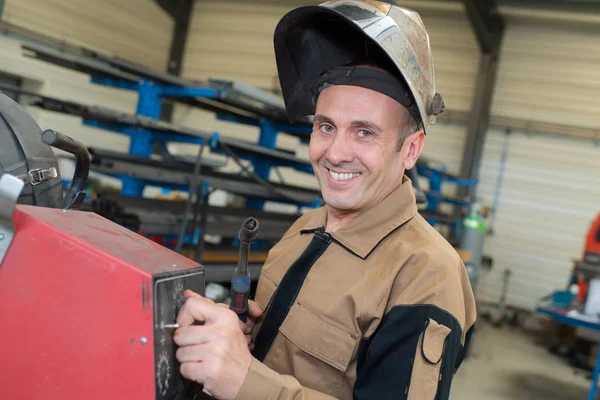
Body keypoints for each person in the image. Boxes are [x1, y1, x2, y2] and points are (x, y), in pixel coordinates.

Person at [174, 1, 476, 399]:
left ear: (411, 150)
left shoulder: (426, 275)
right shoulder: (306, 227)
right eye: (326, 126)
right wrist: (239, 340)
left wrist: (244, 379)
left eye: (364, 132)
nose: (335, 153)